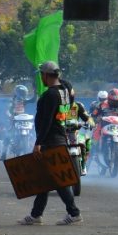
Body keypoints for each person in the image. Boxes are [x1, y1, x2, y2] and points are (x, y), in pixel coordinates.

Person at [18, 62, 81, 226]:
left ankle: (74, 213)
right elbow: (67, 84)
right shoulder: (65, 90)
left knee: (58, 181)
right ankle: (36, 215)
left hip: (51, 141)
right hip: (59, 138)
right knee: (43, 180)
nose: (41, 78)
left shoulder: (50, 95)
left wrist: (38, 143)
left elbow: (46, 121)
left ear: (45, 75)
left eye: (42, 75)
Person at [1, 84, 32, 161]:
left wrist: (36, 93)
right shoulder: (12, 101)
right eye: (21, 93)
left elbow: (33, 102)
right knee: (8, 135)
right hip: (14, 120)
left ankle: (29, 144)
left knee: (33, 131)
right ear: (17, 92)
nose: (22, 94)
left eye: (23, 93)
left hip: (24, 120)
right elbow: (7, 110)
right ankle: (3, 154)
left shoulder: (26, 100)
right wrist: (10, 116)